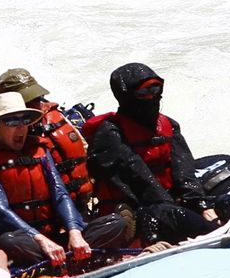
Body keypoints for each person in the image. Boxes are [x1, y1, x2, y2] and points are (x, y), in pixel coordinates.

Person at [0, 92, 129, 270]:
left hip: (55, 239)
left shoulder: (40, 150)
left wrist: (74, 232)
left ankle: (69, 259)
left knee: (116, 223)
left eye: (24, 120)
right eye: (11, 121)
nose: (21, 128)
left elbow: (60, 194)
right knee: (9, 241)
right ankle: (67, 263)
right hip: (25, 243)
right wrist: (39, 239)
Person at [84, 62, 220, 244]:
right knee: (170, 215)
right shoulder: (110, 133)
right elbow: (138, 178)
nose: (152, 97)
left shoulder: (169, 125)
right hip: (135, 209)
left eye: (156, 89)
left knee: (226, 204)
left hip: (170, 204)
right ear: (126, 97)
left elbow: (184, 172)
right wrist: (174, 212)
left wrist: (201, 205)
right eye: (143, 93)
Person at [0, 66, 95, 216]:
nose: (35, 104)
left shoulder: (57, 117)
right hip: (49, 211)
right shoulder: (6, 134)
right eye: (28, 101)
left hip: (82, 201)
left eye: (36, 98)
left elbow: (83, 149)